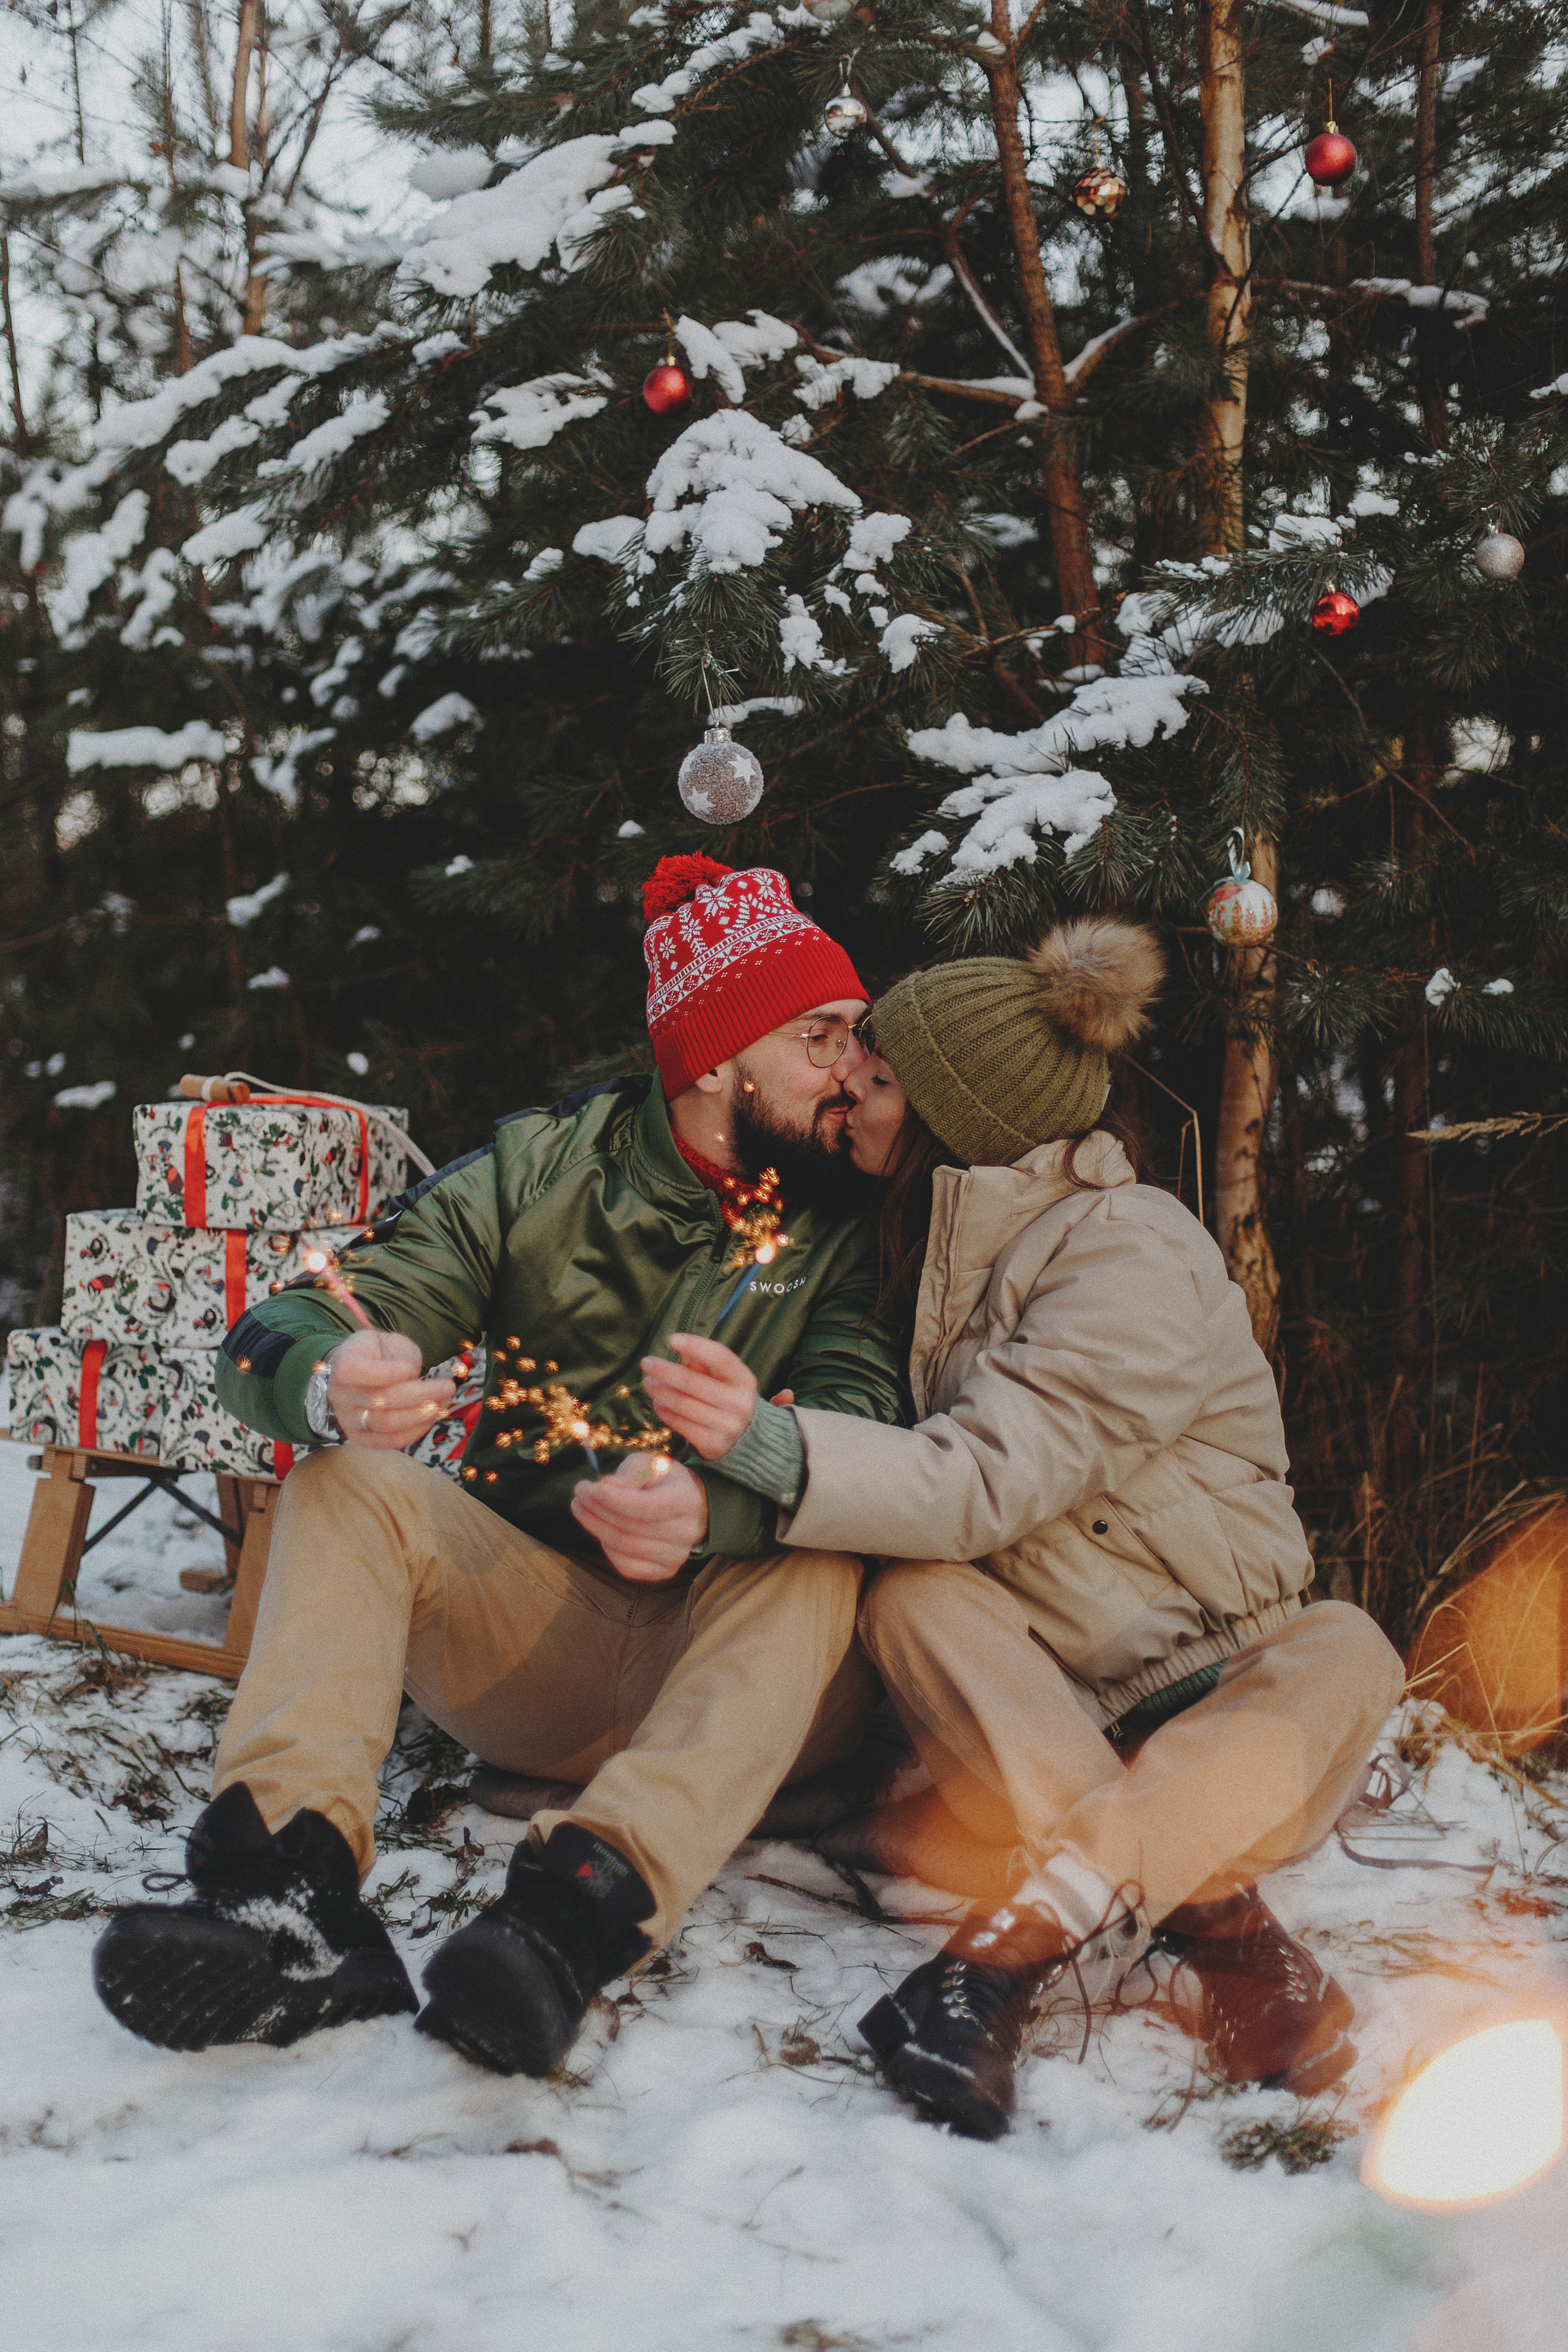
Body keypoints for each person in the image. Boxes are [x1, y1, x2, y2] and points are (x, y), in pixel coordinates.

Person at [581, 916, 1406, 2141]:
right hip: (1054, 1712)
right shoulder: (942, 1253)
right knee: (910, 1596)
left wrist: (762, 1444)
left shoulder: (1130, 1250)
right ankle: (1229, 1941)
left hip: (1214, 1693)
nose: (849, 1087)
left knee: (1349, 1649)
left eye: (876, 1075)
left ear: (954, 1112)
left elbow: (978, 1481)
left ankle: (1002, 1965)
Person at [92, 855, 903, 2076]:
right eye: (821, 1035)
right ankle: (286, 1895)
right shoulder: (536, 1177)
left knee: (817, 1530)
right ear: (717, 1059)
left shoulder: (850, 1220)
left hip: (753, 1673)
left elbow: (865, 1419)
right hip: (549, 1644)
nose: (851, 1066)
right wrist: (336, 1372)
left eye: (854, 1037)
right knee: (348, 1481)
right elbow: (275, 1332)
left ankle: (570, 1919)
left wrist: (715, 1500)